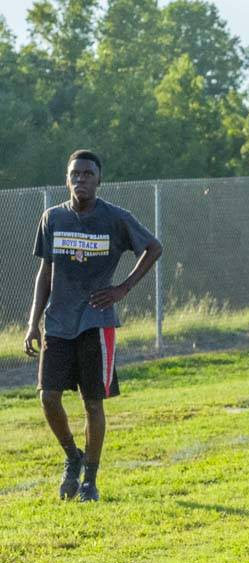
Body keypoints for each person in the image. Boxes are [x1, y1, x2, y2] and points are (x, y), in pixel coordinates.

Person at [23, 150, 163, 502]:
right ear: (66, 179)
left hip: (97, 323)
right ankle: (73, 456)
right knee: (48, 397)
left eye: (88, 174)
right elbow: (46, 272)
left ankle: (91, 480)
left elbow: (153, 247)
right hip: (58, 322)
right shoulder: (52, 218)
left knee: (93, 404)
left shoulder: (116, 218)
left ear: (99, 180)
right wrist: (33, 322)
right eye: (75, 174)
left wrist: (123, 288)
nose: (80, 179)